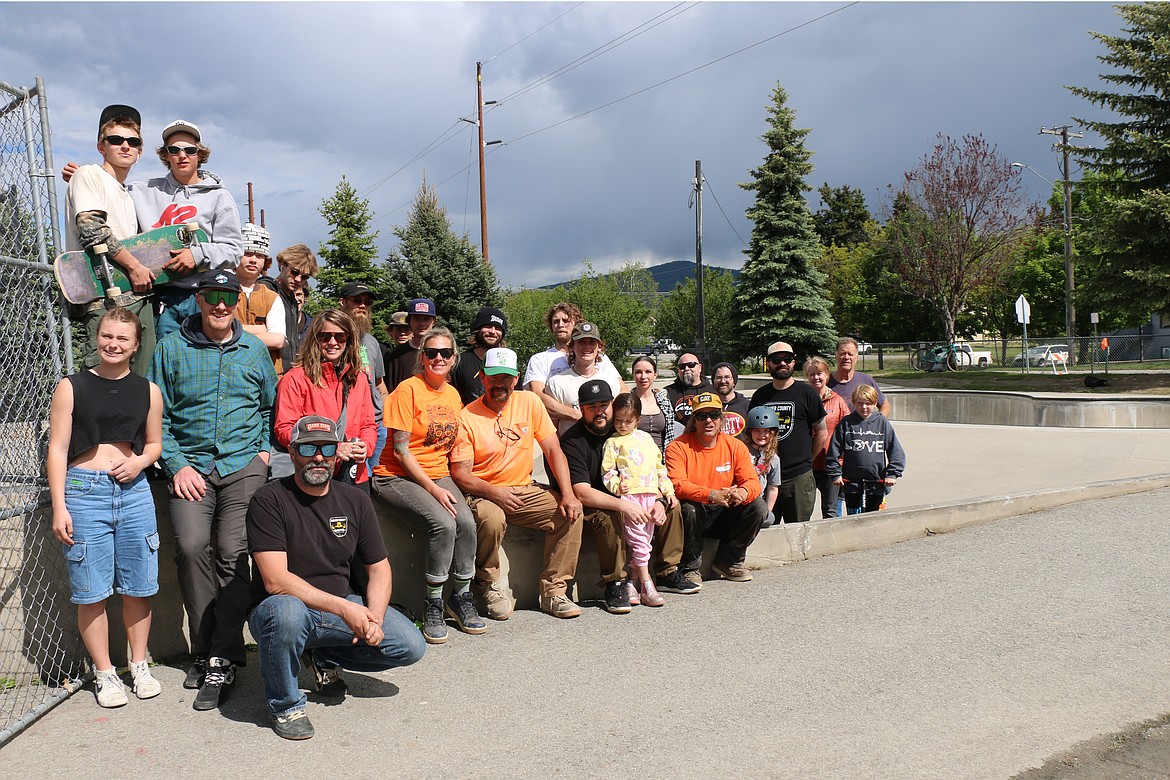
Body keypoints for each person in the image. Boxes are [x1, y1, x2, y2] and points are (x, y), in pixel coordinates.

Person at [247, 415, 426, 740]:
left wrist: (375, 618)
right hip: (281, 611)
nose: (318, 456)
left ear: (337, 452)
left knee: (410, 645)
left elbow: (379, 567)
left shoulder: (355, 499)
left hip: (336, 610)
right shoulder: (269, 499)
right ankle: (285, 705)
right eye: (308, 448)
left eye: (327, 448)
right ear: (293, 451)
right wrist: (345, 610)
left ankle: (321, 654)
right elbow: (275, 581)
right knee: (287, 612)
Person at [148, 269, 277, 712]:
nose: (220, 305)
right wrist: (177, 464)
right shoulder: (169, 349)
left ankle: (224, 654)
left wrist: (261, 452)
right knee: (191, 545)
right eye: (211, 297)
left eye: (227, 296)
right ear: (199, 300)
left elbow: (268, 409)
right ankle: (204, 651)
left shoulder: (254, 350)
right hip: (191, 468)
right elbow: (156, 416)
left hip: (243, 464)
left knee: (232, 550)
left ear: (235, 300)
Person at [47, 307, 164, 708]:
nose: (113, 345)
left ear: (135, 345)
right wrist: (60, 506)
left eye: (122, 339)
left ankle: (138, 664)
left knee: (139, 586)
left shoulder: (148, 390)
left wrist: (139, 463)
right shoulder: (71, 386)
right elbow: (58, 449)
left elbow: (154, 445)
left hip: (133, 492)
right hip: (84, 493)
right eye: (107, 337)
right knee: (91, 590)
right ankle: (105, 673)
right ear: (97, 338)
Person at [449, 348, 586, 620]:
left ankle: (554, 591)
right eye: (493, 377)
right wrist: (494, 492)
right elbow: (460, 474)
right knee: (491, 517)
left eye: (506, 377)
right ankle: (489, 586)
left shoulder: (530, 402)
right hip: (484, 491)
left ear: (517, 378)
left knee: (570, 513)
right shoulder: (467, 416)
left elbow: (553, 450)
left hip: (524, 489)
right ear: (482, 377)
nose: (500, 383)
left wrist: (568, 494)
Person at [372, 327, 484, 644]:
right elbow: (400, 450)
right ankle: (433, 602)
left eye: (445, 353)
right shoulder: (408, 390)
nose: (438, 358)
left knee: (466, 522)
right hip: (394, 474)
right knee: (443, 524)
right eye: (431, 353)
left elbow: (451, 446)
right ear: (422, 357)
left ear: (453, 359)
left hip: (437, 472)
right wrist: (434, 489)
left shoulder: (452, 395)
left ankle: (460, 598)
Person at [560, 380, 698, 610]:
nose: (599, 412)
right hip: (595, 502)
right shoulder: (573, 441)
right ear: (581, 409)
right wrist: (623, 505)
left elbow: (652, 469)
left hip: (637, 495)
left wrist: (659, 499)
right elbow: (582, 493)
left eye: (604, 405)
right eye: (591, 407)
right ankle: (616, 582)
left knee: (672, 507)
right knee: (610, 517)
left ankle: (667, 571)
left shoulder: (628, 434)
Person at [64, 104, 156, 377]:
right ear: (101, 146)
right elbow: (91, 230)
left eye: (133, 142)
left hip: (136, 294)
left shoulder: (126, 192)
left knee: (138, 383)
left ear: (140, 151)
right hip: (105, 299)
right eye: (116, 140)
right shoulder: (90, 174)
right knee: (103, 385)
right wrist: (135, 267)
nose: (125, 146)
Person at [129, 120, 244, 338]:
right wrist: (86, 176)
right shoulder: (142, 191)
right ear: (166, 155)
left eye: (190, 150)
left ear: (199, 154)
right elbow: (112, 186)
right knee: (163, 360)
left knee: (202, 360)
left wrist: (197, 255)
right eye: (174, 150)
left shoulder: (219, 197)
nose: (182, 155)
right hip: (161, 297)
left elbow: (234, 251)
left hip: (205, 297)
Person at [665, 392, 767, 583]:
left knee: (759, 507)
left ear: (722, 419)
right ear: (694, 420)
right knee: (687, 508)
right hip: (697, 511)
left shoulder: (735, 446)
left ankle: (729, 562)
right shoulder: (677, 447)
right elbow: (678, 485)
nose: (708, 420)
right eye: (702, 416)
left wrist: (742, 492)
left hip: (725, 509)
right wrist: (711, 495)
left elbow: (752, 482)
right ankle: (690, 567)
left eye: (714, 415)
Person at [273, 309, 375, 485]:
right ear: (315, 340)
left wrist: (365, 447)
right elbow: (284, 429)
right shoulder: (295, 378)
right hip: (314, 471)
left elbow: (368, 424)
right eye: (325, 337)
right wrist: (332, 448)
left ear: (349, 340)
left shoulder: (359, 379)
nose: (332, 342)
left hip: (353, 474)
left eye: (340, 337)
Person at [601, 393, 675, 608]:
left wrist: (667, 491)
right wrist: (616, 486)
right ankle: (647, 583)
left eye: (628, 421)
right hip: (630, 498)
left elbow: (659, 467)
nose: (622, 425)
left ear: (638, 420)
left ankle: (632, 583)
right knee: (639, 542)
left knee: (643, 541)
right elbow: (607, 472)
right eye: (618, 420)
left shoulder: (646, 439)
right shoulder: (612, 442)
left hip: (650, 496)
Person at [747, 341, 827, 524]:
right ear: (768, 363)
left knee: (799, 531)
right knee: (764, 527)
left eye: (787, 359)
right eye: (777, 359)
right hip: (765, 476)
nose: (782, 363)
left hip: (798, 478)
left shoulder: (807, 393)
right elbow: (750, 433)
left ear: (793, 362)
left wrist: (807, 461)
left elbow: (821, 432)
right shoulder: (760, 395)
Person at [523, 302, 621, 424]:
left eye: (566, 320)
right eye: (556, 321)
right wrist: (576, 414)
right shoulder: (539, 359)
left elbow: (621, 390)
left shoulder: (598, 356)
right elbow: (538, 396)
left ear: (576, 323)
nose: (560, 325)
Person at [826, 385, 906, 514]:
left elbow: (895, 451)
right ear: (853, 403)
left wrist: (892, 474)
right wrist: (835, 473)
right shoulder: (846, 423)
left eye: (868, 403)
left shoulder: (882, 423)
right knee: (853, 517)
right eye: (860, 403)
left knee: (872, 518)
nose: (864, 407)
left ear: (875, 403)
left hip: (876, 483)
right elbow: (833, 451)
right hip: (851, 483)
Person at [336, 283, 389, 478]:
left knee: (374, 479)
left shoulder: (371, 341)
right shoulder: (333, 339)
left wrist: (387, 418)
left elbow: (379, 383)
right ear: (343, 303)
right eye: (357, 301)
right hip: (349, 425)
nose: (363, 306)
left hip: (376, 424)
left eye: (367, 302)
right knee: (350, 480)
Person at [544, 322, 627, 435]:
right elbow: (551, 427)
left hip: (607, 449)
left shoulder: (611, 380)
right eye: (581, 342)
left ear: (599, 347)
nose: (587, 346)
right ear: (572, 346)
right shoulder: (556, 383)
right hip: (571, 449)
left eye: (592, 342)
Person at [257, 243, 319, 374]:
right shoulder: (265, 289)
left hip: (288, 374)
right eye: (294, 272)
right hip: (266, 372)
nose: (298, 279)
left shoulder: (292, 300)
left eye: (304, 277)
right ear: (282, 265)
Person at [233, 223, 286, 371]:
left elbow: (277, 340)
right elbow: (217, 333)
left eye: (259, 255)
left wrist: (235, 332)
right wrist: (262, 330)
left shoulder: (272, 297)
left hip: (268, 374)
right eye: (248, 253)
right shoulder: (223, 291)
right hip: (232, 372)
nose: (253, 260)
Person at [805, 356, 850, 518]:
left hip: (831, 465)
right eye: (811, 374)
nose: (816, 377)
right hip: (807, 465)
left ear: (827, 376)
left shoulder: (837, 402)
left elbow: (848, 432)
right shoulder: (803, 400)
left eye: (819, 373)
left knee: (830, 511)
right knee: (804, 511)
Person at [451, 306, 507, 407]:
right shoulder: (460, 361)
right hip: (467, 420)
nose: (493, 331)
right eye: (488, 326)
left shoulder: (508, 363)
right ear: (478, 329)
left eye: (498, 328)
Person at [828, 337, 891, 416]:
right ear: (836, 356)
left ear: (856, 357)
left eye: (850, 354)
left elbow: (885, 405)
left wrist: (878, 423)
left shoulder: (866, 380)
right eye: (842, 354)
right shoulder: (826, 382)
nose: (846, 357)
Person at [385, 297, 437, 391]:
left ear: (434, 321)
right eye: (417, 319)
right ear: (409, 321)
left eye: (426, 319)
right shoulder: (396, 354)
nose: (421, 323)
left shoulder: (443, 353)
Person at [741, 407, 781, 529]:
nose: (762, 435)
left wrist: (767, 510)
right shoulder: (741, 450)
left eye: (766, 431)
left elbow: (773, 488)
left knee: (769, 519)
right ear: (749, 432)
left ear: (772, 433)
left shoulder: (774, 458)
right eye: (757, 431)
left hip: (758, 501)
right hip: (741, 498)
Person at [630, 355, 676, 457]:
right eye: (638, 372)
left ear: (655, 375)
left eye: (648, 372)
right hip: (635, 460)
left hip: (661, 461)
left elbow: (670, 435)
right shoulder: (628, 402)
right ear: (633, 375)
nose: (643, 376)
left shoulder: (664, 401)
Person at [663, 351, 715, 436]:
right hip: (679, 441)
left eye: (691, 365)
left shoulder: (712, 391)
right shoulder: (668, 392)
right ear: (678, 370)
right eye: (682, 366)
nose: (686, 369)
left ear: (700, 367)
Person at [712, 362, 750, 437]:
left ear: (734, 381)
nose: (723, 381)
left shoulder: (747, 406)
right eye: (719, 377)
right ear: (713, 381)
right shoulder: (709, 406)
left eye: (727, 377)